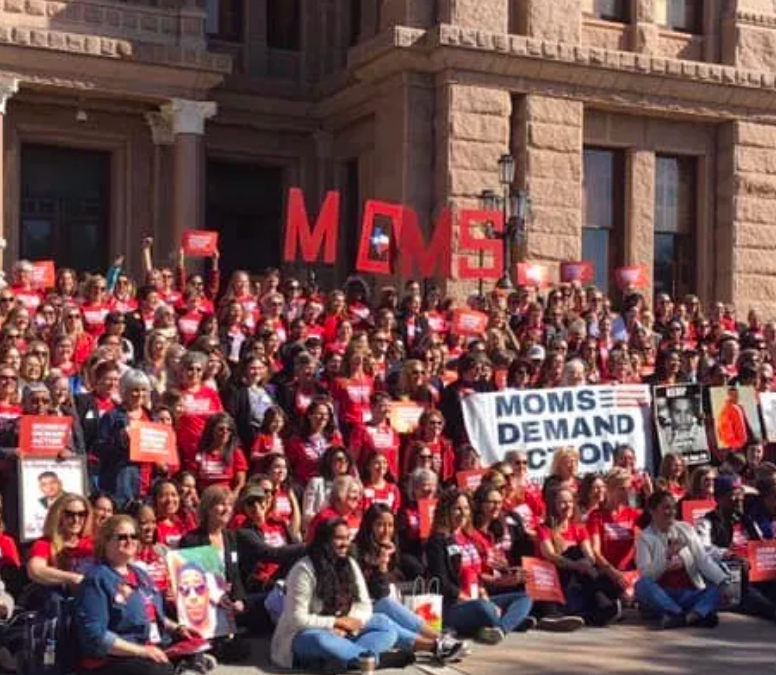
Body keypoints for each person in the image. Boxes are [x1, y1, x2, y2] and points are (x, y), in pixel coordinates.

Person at [271, 517, 411, 672]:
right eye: (338, 538)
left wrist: (349, 625)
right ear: (324, 540)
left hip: (345, 632)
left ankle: (345, 660)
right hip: (304, 635)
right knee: (321, 640)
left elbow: (364, 605)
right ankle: (373, 660)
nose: (345, 543)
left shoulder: (349, 563)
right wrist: (336, 622)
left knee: (385, 626)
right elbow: (297, 619)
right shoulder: (303, 570)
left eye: (347, 538)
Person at [74, 514, 206, 675]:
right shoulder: (96, 579)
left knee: (193, 644)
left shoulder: (140, 574)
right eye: (122, 537)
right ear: (106, 542)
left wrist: (178, 628)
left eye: (134, 536)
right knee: (158, 670)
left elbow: (155, 616)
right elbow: (95, 636)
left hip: (152, 645)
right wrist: (141, 651)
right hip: (115, 658)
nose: (129, 541)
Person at [354, 504, 466, 663]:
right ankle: (438, 644)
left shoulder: (390, 548)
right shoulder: (356, 551)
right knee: (385, 604)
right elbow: (378, 594)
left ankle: (441, 641)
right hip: (360, 609)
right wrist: (382, 564)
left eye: (390, 525)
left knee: (387, 605)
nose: (386, 531)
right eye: (380, 525)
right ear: (369, 526)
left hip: (378, 605)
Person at [425, 489, 534, 644]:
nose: (463, 513)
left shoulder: (468, 537)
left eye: (466, 508)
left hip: (478, 599)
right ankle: (510, 621)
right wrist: (473, 601)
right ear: (445, 511)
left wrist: (486, 597)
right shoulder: (438, 541)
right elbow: (444, 584)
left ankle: (499, 629)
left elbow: (477, 575)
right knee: (484, 609)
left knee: (525, 597)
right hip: (454, 605)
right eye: (457, 508)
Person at [635, 489, 729, 629]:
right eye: (666, 508)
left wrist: (722, 580)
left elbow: (702, 560)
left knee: (716, 589)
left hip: (687, 593)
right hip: (661, 595)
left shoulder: (685, 529)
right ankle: (686, 614)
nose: (671, 512)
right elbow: (646, 574)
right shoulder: (645, 537)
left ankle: (685, 618)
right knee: (642, 585)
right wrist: (667, 556)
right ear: (653, 511)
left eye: (673, 507)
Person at [538, 487, 620, 626]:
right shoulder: (544, 529)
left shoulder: (579, 528)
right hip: (556, 575)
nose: (567, 505)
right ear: (554, 506)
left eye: (570, 501)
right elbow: (550, 555)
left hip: (581, 574)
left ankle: (597, 608)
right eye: (562, 502)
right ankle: (601, 598)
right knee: (575, 552)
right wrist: (577, 564)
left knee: (580, 555)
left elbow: (590, 555)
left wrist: (585, 564)